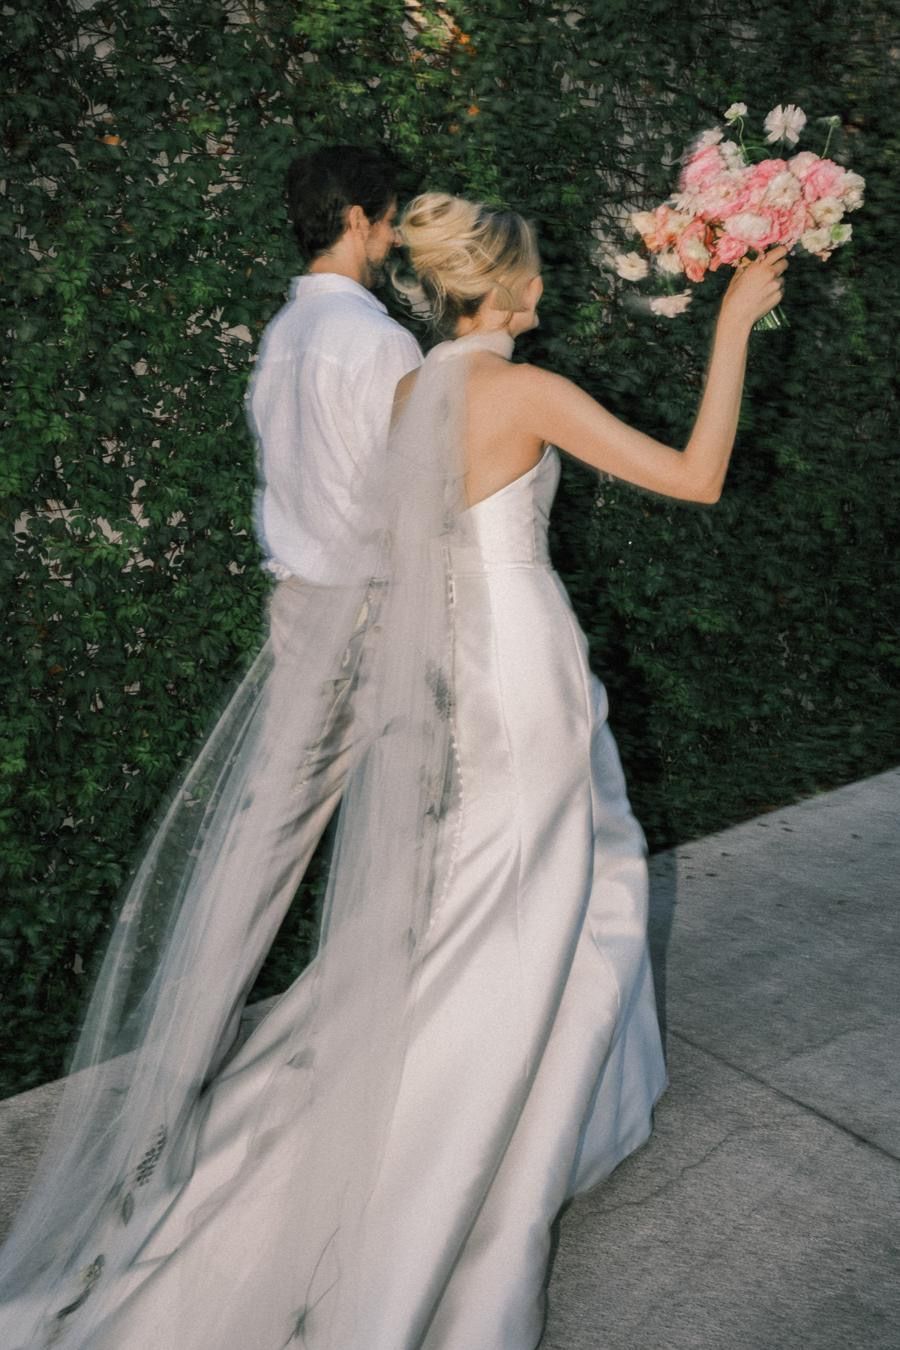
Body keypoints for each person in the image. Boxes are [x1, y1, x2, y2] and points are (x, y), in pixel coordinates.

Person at [0, 181, 786, 1349]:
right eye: (541, 272)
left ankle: (542, 1117)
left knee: (536, 886)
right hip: (523, 668)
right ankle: (451, 1144)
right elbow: (699, 475)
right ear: (510, 284)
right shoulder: (524, 389)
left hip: (476, 671)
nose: (548, 287)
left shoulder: (417, 389)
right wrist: (732, 328)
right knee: (523, 904)